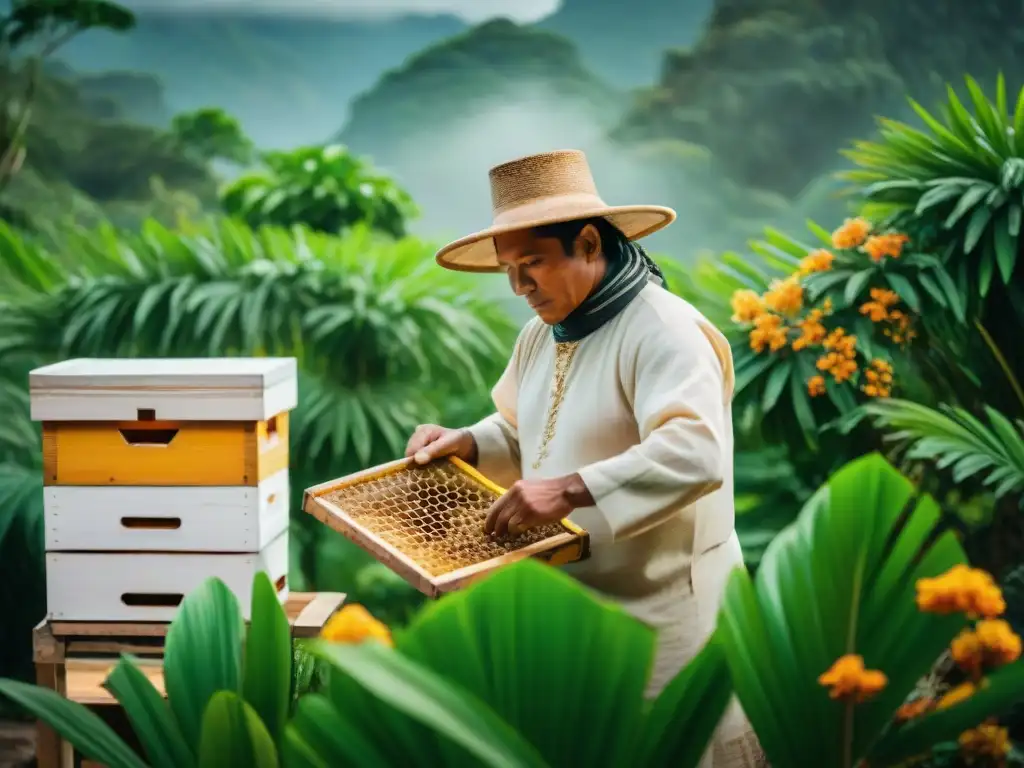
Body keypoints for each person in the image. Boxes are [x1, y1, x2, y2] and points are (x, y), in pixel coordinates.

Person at [404, 149, 765, 768]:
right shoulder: (542, 333)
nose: (520, 287)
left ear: (591, 243)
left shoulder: (666, 331)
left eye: (533, 264)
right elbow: (527, 434)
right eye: (509, 270)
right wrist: (468, 441)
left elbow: (696, 451)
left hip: (668, 616)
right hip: (581, 612)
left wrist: (570, 489)